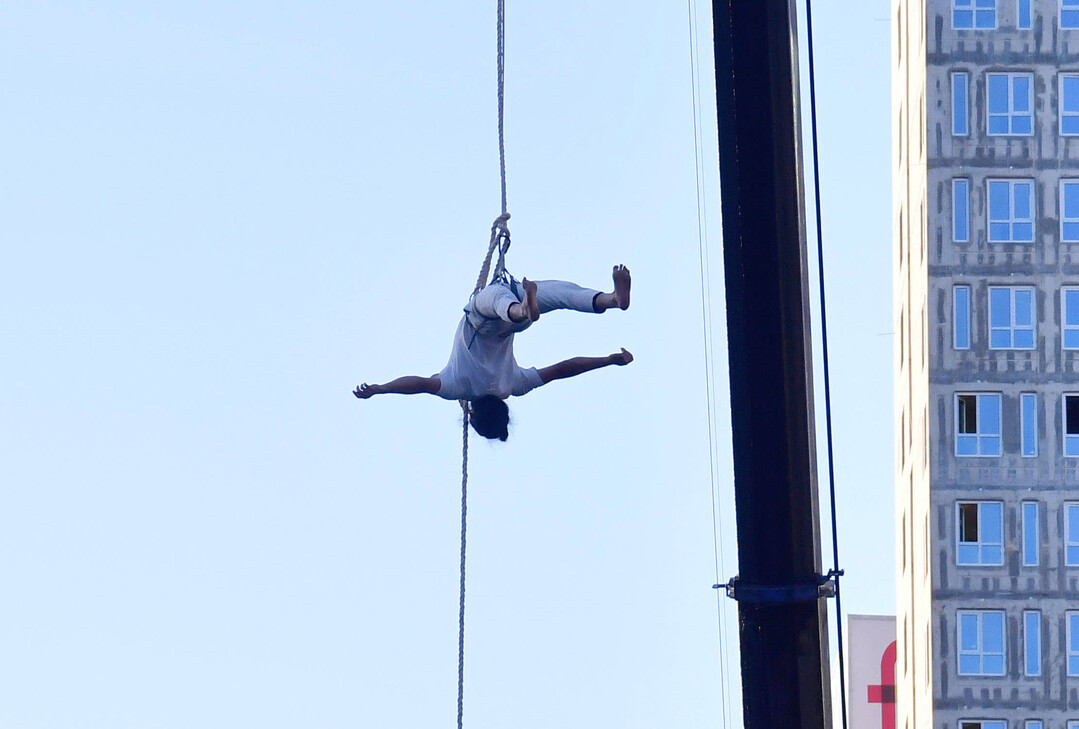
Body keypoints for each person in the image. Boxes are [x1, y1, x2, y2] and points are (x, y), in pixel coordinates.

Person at [353, 265, 633, 441]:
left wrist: (609, 360)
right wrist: (381, 388)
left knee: (562, 295)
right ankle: (600, 300)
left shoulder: (513, 386)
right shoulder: (457, 387)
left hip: (513, 319)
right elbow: (419, 385)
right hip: (489, 315)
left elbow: (563, 369)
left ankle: (609, 300)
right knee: (506, 301)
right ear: (472, 415)